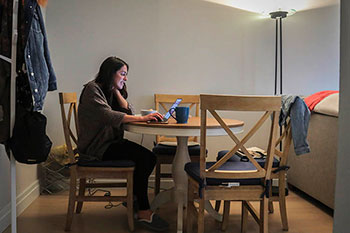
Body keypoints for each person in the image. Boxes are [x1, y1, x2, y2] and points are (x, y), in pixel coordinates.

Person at [77, 56, 169, 231]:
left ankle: (136, 201)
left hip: (109, 143)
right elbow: (108, 116)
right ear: (111, 73)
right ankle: (143, 210)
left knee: (148, 157)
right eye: (122, 74)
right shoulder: (92, 89)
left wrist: (117, 91)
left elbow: (128, 111)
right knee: (147, 158)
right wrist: (143, 118)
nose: (125, 78)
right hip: (96, 148)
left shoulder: (108, 91)